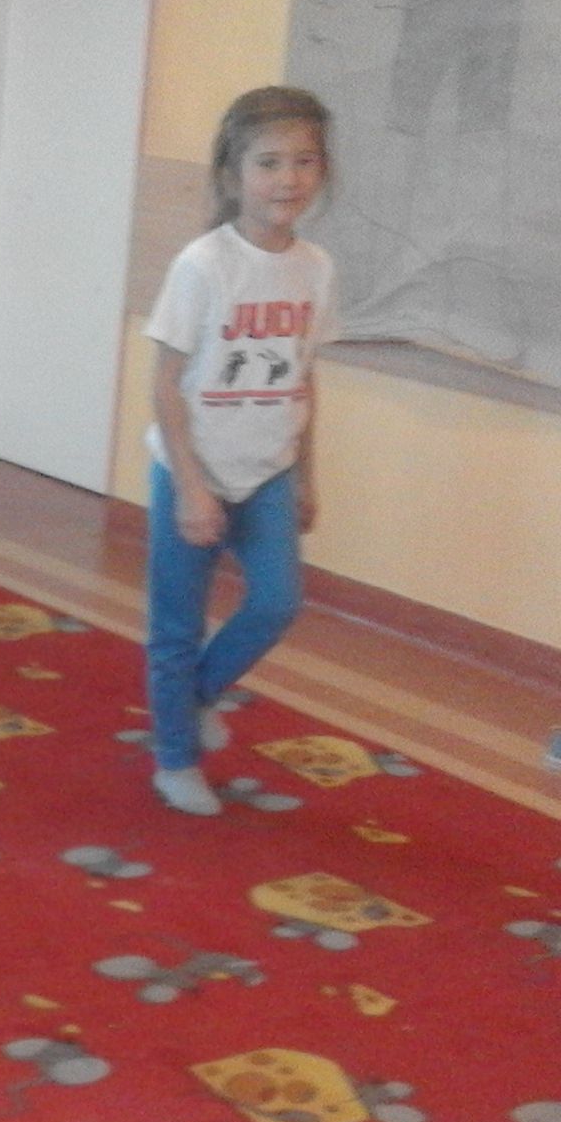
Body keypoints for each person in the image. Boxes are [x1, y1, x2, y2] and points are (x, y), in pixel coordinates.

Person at [142, 86, 337, 816]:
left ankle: (194, 698)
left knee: (278, 601)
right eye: (269, 163)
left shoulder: (315, 268)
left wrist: (307, 474)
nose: (288, 179)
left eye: (304, 161)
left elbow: (304, 375)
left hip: (269, 469)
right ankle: (174, 759)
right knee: (176, 625)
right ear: (233, 173)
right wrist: (192, 486)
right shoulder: (204, 265)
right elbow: (165, 382)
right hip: (192, 467)